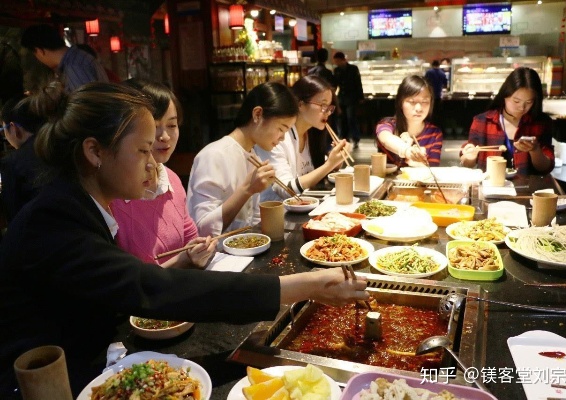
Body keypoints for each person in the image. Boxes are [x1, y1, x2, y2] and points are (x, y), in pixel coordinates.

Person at [0, 82, 369, 397]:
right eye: (142, 150)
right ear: (95, 151)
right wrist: (303, 285)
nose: (152, 163)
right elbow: (154, 287)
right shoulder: (55, 219)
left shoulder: (77, 202)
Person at [110, 79, 216, 267]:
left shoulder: (171, 179)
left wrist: (200, 251)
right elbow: (125, 282)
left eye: (172, 125)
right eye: (154, 126)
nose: (165, 136)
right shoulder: (113, 195)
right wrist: (182, 261)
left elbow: (190, 240)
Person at [187, 82, 298, 237]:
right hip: (216, 257)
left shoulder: (253, 156)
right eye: (281, 129)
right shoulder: (213, 155)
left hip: (243, 253)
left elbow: (252, 220)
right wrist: (247, 189)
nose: (282, 138)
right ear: (257, 114)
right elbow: (202, 229)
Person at [255, 75, 347, 201]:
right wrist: (329, 165)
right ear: (300, 104)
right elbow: (286, 189)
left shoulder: (311, 134)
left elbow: (316, 167)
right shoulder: (278, 138)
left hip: (303, 208)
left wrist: (335, 163)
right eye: (322, 105)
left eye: (330, 107)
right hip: (277, 213)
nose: (327, 112)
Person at [460, 67, 554, 174]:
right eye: (516, 101)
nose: (522, 107)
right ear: (505, 95)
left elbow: (546, 168)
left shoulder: (541, 123)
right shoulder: (483, 121)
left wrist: (535, 150)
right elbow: (467, 164)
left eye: (528, 102)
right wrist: (470, 157)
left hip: (526, 189)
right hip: (491, 187)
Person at [375, 75, 443, 168]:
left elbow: (433, 169)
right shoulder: (387, 125)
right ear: (400, 102)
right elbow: (386, 139)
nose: (418, 108)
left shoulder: (434, 134)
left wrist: (419, 165)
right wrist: (408, 151)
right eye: (411, 101)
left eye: (425, 102)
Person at [20, 24, 108, 92]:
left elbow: (86, 108)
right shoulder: (77, 57)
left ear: (40, 51)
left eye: (35, 55)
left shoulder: (74, 66)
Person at [0, 96, 46, 222]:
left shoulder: (11, 163)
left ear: (14, 128)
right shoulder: (58, 143)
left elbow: (14, 215)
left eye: (3, 130)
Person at [332, 51, 364, 149]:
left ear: (343, 60)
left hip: (352, 97)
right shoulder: (336, 70)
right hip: (342, 98)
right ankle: (345, 138)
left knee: (351, 118)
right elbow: (335, 85)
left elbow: (358, 83)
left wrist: (360, 97)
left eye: (338, 61)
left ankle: (355, 138)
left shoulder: (353, 69)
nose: (336, 63)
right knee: (343, 119)